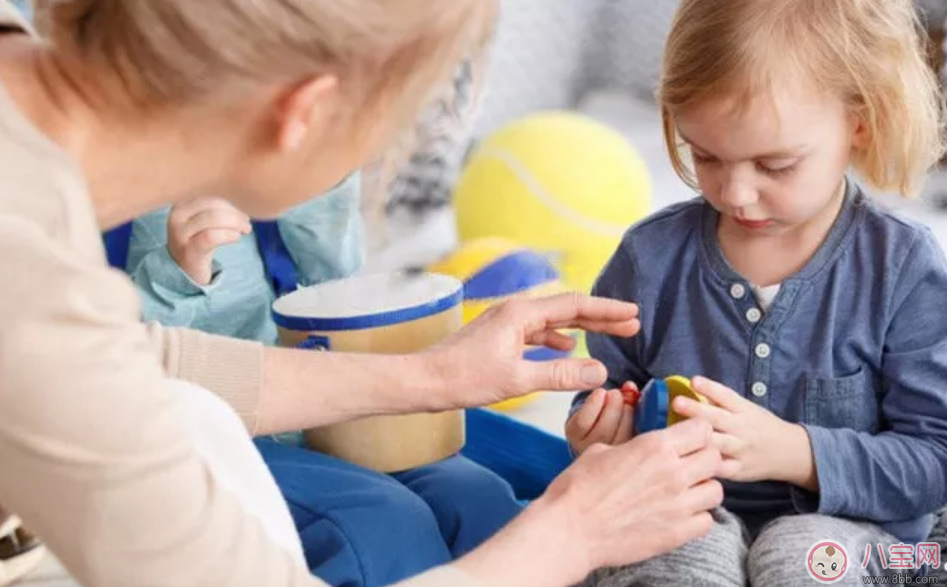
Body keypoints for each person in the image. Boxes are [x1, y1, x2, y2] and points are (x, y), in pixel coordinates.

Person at [0, 2, 726, 587]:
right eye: (395, 119)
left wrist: (428, 375)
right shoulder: (25, 270)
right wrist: (569, 535)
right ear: (305, 112)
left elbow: (130, 365)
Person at [565, 0, 947, 585]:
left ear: (860, 121)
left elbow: (933, 460)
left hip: (860, 534)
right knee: (678, 564)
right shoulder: (649, 261)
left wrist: (797, 453)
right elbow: (611, 393)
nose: (737, 193)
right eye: (707, 156)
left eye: (775, 165)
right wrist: (598, 435)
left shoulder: (902, 268)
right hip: (688, 510)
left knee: (805, 561)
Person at [119, 57, 524, 586]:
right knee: (382, 525)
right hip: (238, 427)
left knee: (476, 495)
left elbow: (339, 290)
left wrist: (326, 188)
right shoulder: (181, 186)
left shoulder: (319, 163)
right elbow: (153, 361)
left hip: (330, 408)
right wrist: (184, 271)